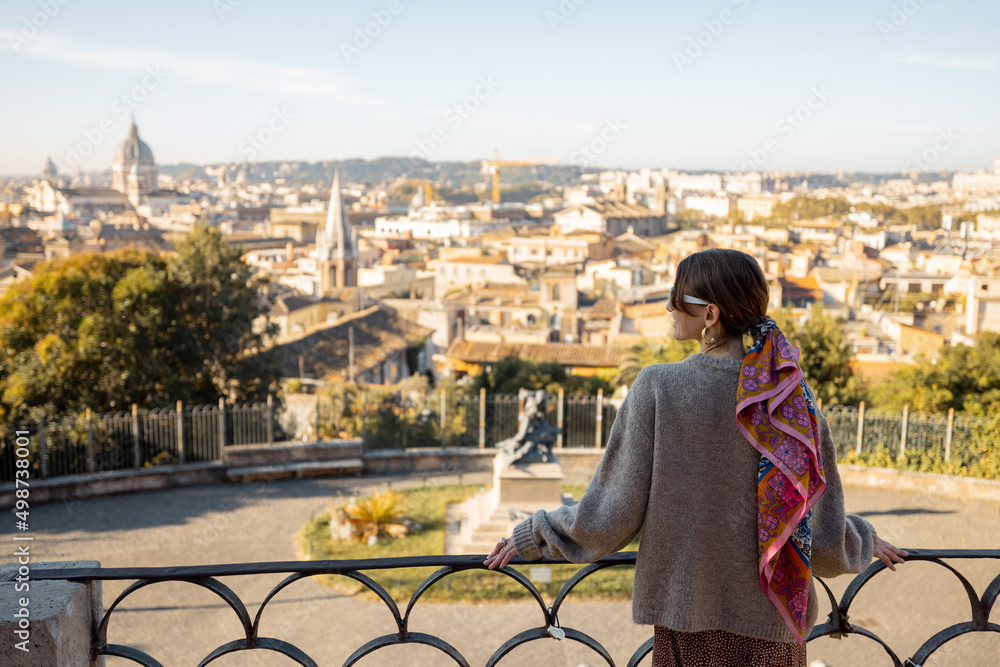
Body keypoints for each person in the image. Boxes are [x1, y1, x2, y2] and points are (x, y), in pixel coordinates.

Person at [484, 248, 907, 667]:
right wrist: (863, 540)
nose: (668, 305)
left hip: (691, 632)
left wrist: (533, 535)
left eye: (678, 296)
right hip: (776, 636)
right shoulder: (791, 398)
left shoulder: (659, 388)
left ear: (710, 315)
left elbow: (609, 518)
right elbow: (818, 535)